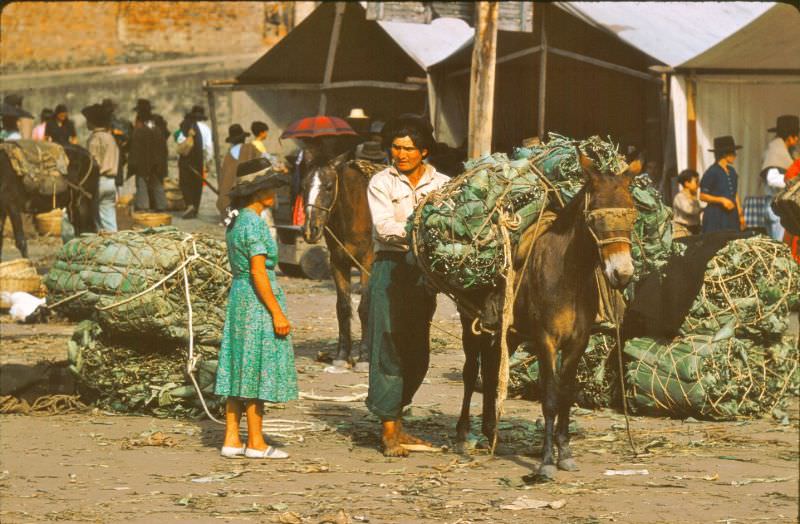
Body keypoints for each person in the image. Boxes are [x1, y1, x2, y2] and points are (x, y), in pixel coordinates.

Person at [365, 117, 449, 457]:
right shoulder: (381, 182)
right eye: (396, 148)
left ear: (423, 151)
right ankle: (388, 429)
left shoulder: (443, 183)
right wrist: (424, 230)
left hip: (424, 273)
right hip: (391, 267)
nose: (400, 154)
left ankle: (398, 421)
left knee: (417, 349)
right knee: (387, 343)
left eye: (408, 149)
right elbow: (385, 228)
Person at [215, 157, 297, 459]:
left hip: (239, 298)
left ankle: (232, 438)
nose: (274, 193)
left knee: (239, 364)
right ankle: (257, 442)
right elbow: (259, 273)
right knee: (256, 366)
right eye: (270, 188)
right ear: (258, 192)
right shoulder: (254, 224)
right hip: (256, 300)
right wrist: (276, 311)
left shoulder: (236, 222)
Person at [760, 115, 799, 241]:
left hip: (780, 206)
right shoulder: (775, 151)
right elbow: (772, 179)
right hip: (777, 207)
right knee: (780, 243)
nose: (797, 139)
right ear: (789, 137)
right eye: (795, 135)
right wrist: (795, 182)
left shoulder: (785, 150)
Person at [83, 103, 120, 232]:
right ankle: (116, 243)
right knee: (109, 218)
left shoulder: (94, 139)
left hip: (99, 182)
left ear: (92, 122)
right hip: (111, 182)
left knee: (97, 220)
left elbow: (92, 164)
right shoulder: (110, 138)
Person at [128, 99, 168, 211]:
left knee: (142, 183)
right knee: (157, 182)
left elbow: (135, 147)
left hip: (143, 161)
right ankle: (161, 206)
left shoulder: (140, 127)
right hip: (158, 160)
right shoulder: (157, 124)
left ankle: (143, 207)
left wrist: (132, 164)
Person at [700, 136, 745, 233]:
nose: (735, 155)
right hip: (716, 215)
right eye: (732, 152)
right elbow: (702, 196)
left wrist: (740, 214)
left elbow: (734, 193)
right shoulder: (712, 172)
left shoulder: (732, 171)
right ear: (725, 154)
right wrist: (721, 200)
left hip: (732, 215)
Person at [176, 107, 206, 219]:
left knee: (185, 183)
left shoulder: (186, 125)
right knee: (197, 184)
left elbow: (180, 143)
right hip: (198, 161)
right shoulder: (201, 128)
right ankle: (195, 207)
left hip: (187, 161)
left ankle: (190, 205)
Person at [216, 123, 250, 218]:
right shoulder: (249, 149)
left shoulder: (229, 154)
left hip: (230, 189)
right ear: (243, 138)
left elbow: (224, 176)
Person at [672, 169, 702, 239]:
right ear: (687, 183)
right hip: (683, 230)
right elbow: (689, 210)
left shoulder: (693, 197)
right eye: (696, 182)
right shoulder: (680, 197)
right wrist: (703, 209)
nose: (698, 184)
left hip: (694, 229)